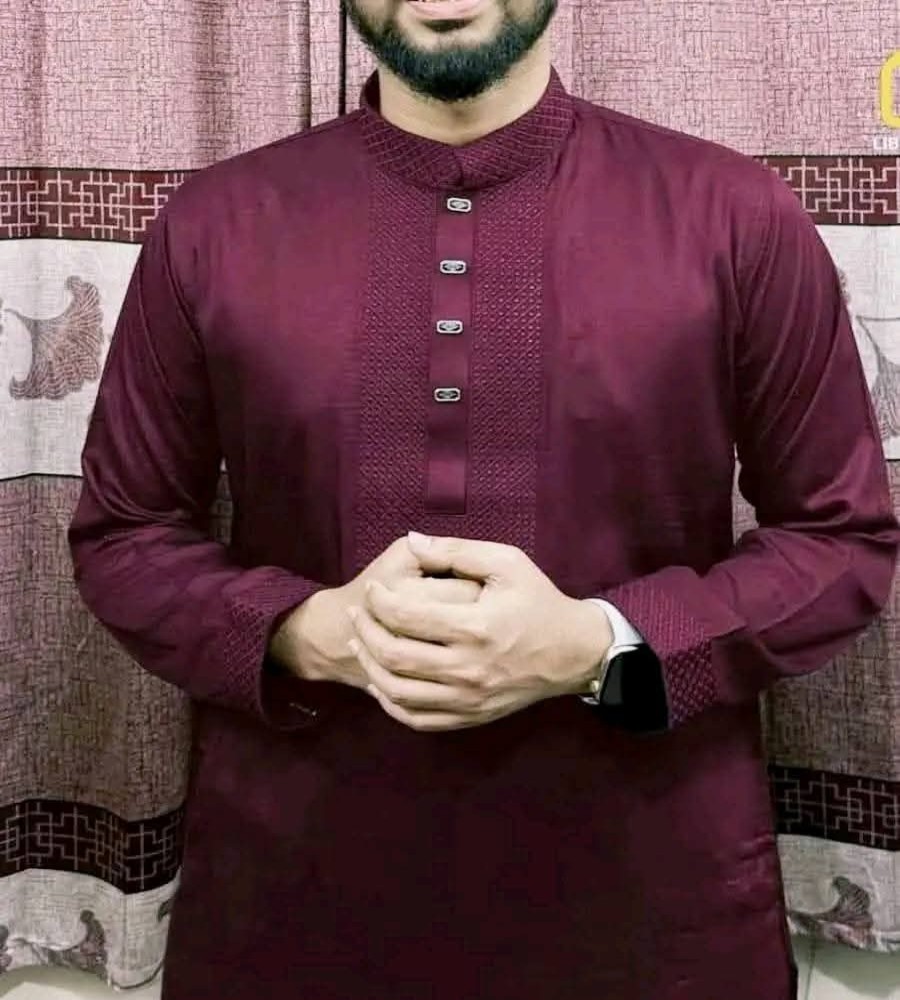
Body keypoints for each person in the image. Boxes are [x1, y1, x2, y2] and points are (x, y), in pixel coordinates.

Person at [67, 0, 899, 996]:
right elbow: (124, 534)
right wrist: (312, 633)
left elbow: (841, 538)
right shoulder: (214, 224)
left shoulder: (736, 214)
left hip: (654, 914)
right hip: (293, 908)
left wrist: (597, 646)